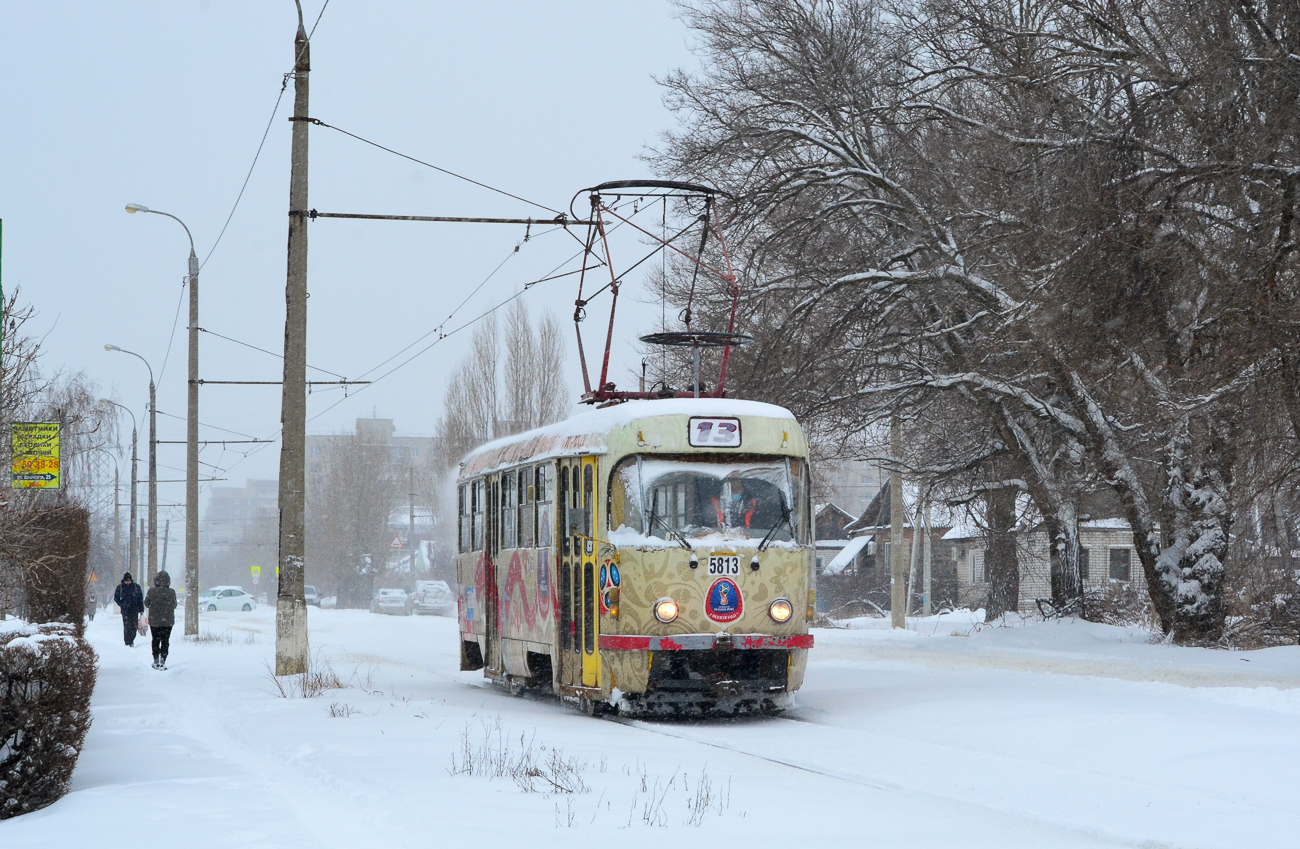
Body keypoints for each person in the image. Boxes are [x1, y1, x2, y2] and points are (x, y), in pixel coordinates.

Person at [145, 571, 178, 669]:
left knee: (155, 640)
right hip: (167, 621)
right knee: (165, 640)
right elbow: (174, 605)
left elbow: (146, 603)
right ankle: (163, 659)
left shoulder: (151, 591)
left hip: (154, 621)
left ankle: (155, 659)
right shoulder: (171, 592)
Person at [113, 572, 144, 647]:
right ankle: (127, 642)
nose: (128, 582)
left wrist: (141, 609)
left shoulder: (136, 587)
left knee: (134, 626)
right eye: (126, 581)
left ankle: (132, 640)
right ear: (124, 580)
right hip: (125, 610)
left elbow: (140, 599)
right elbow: (116, 598)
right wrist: (122, 604)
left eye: (129, 581)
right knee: (127, 626)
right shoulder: (120, 587)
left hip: (134, 610)